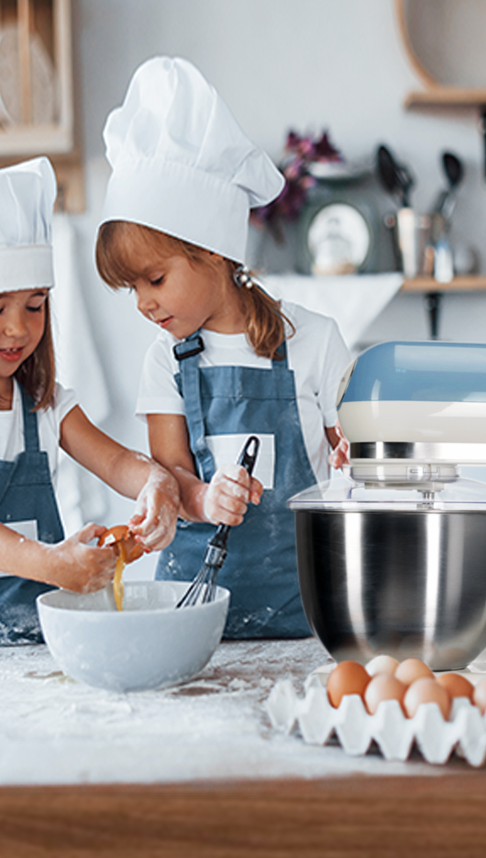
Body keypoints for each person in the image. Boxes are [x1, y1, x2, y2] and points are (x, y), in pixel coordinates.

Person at [95, 56, 351, 638]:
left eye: (154, 280)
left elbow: (353, 460)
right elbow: (170, 476)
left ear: (212, 252)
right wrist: (206, 500)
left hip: (306, 617)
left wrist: (352, 469)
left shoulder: (313, 341)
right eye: (131, 288)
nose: (143, 304)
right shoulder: (165, 360)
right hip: (190, 620)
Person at [0, 157, 180, 647]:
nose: (18, 328)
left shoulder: (44, 404)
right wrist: (51, 563)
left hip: (41, 639)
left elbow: (114, 460)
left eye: (35, 305)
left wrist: (157, 485)